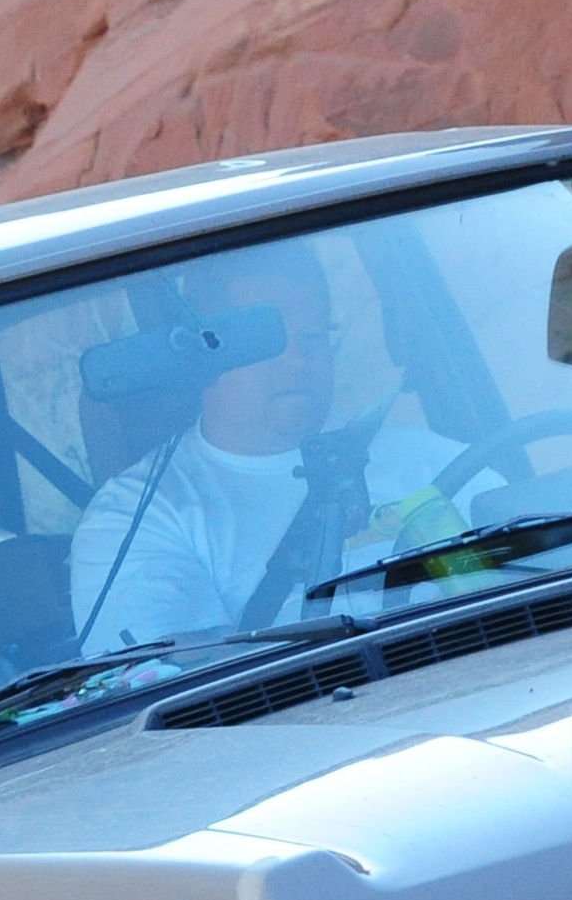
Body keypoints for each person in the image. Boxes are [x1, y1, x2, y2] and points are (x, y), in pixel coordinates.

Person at [68, 259, 473, 651]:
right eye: (269, 340)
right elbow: (187, 683)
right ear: (202, 356)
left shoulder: (432, 460)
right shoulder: (135, 518)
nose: (298, 359)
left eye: (313, 337)